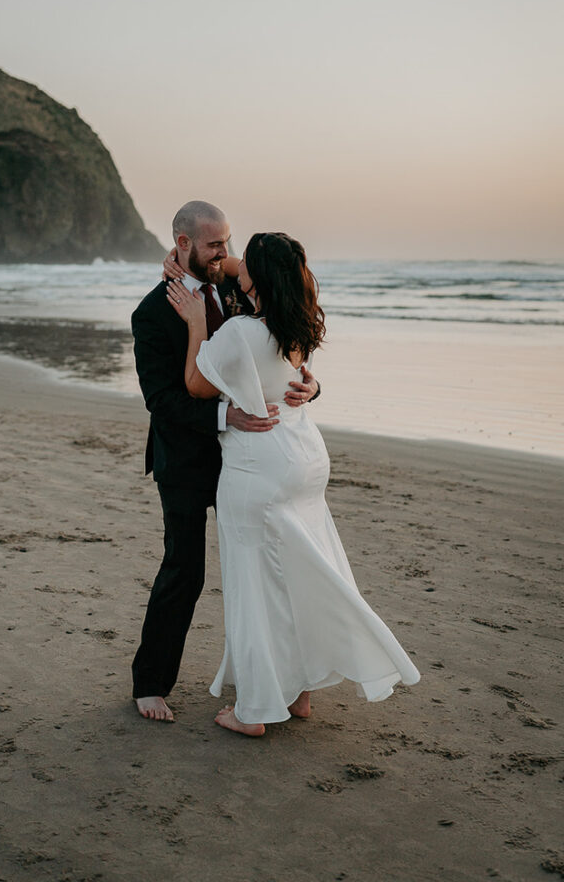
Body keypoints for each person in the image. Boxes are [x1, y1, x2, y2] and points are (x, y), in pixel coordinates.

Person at [167, 231, 420, 736]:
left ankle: (253, 711)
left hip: (258, 465)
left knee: (256, 586)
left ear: (255, 279)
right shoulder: (299, 321)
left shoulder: (240, 330)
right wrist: (194, 258)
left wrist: (196, 324)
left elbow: (196, 383)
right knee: (299, 575)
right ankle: (300, 694)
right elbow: (249, 269)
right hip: (305, 458)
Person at [131, 203, 319, 723]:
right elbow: (162, 400)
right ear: (183, 243)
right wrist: (224, 416)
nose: (225, 254)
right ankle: (150, 683)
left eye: (229, 243)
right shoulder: (151, 313)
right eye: (215, 245)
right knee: (184, 571)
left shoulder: (240, 289)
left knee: (271, 569)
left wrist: (313, 386)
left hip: (253, 462)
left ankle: (287, 683)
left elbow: (284, 344)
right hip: (188, 461)